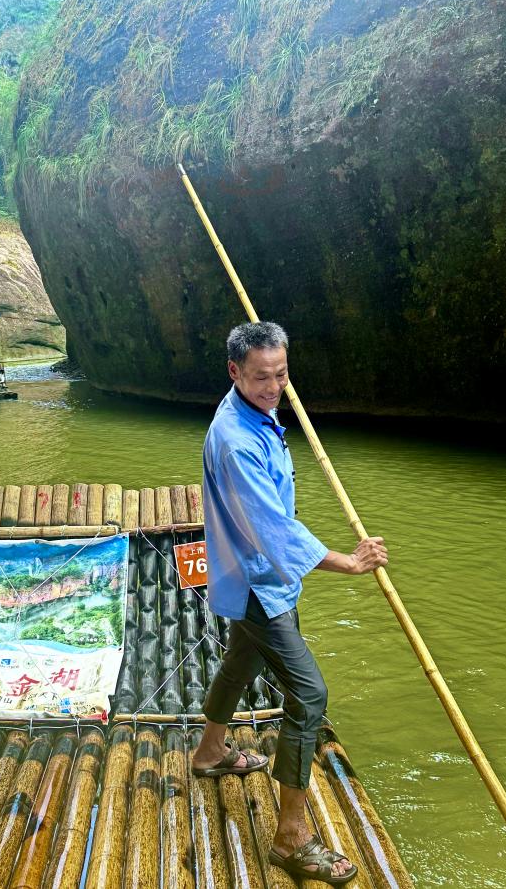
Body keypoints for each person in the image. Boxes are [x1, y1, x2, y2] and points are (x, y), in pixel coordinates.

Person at [192, 322, 388, 885]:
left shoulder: (254, 410)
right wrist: (348, 562)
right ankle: (290, 837)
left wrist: (270, 389)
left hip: (257, 577)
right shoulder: (236, 441)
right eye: (261, 377)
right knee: (309, 695)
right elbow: (273, 530)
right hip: (258, 583)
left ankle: (210, 752)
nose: (275, 387)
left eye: (281, 374)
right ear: (234, 372)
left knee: (241, 661)